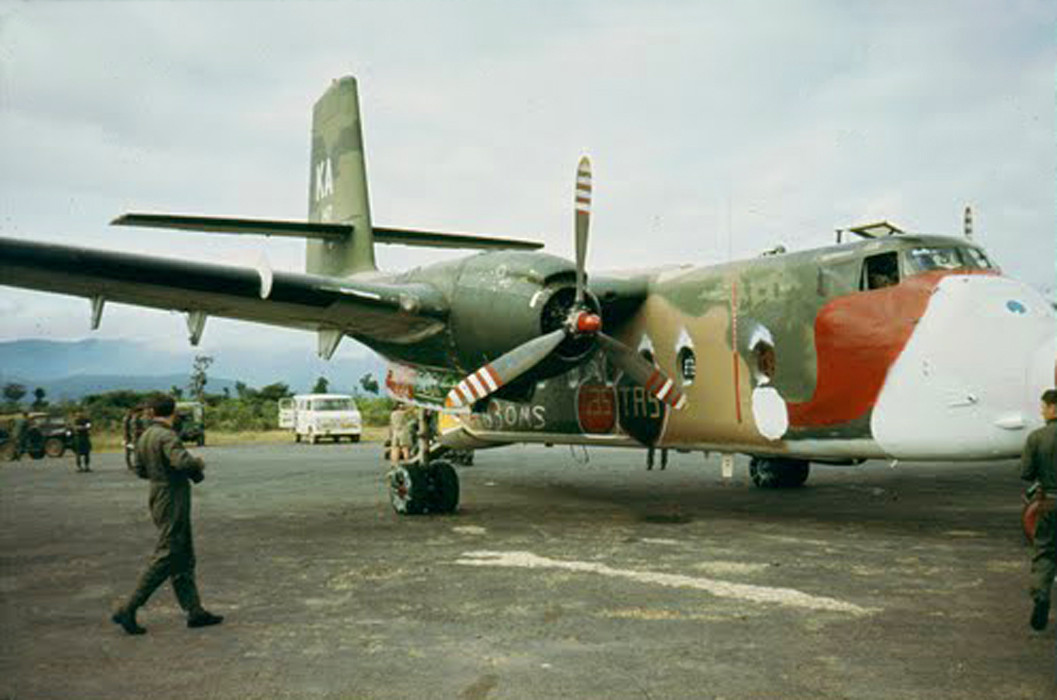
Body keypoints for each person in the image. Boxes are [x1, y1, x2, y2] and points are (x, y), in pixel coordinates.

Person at [111, 394, 222, 635]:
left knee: (183, 554)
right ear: (173, 411)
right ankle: (129, 608)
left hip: (157, 494)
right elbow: (182, 463)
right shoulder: (167, 435)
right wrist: (198, 464)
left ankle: (195, 611)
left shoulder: (145, 436)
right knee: (168, 553)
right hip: (173, 497)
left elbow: (139, 469)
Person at [1021, 388, 1057, 631]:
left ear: (1053, 408)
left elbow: (1026, 473)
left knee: (1044, 552)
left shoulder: (1036, 437)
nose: (1042, 411)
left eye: (1044, 406)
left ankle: (1042, 595)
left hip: (1049, 504)